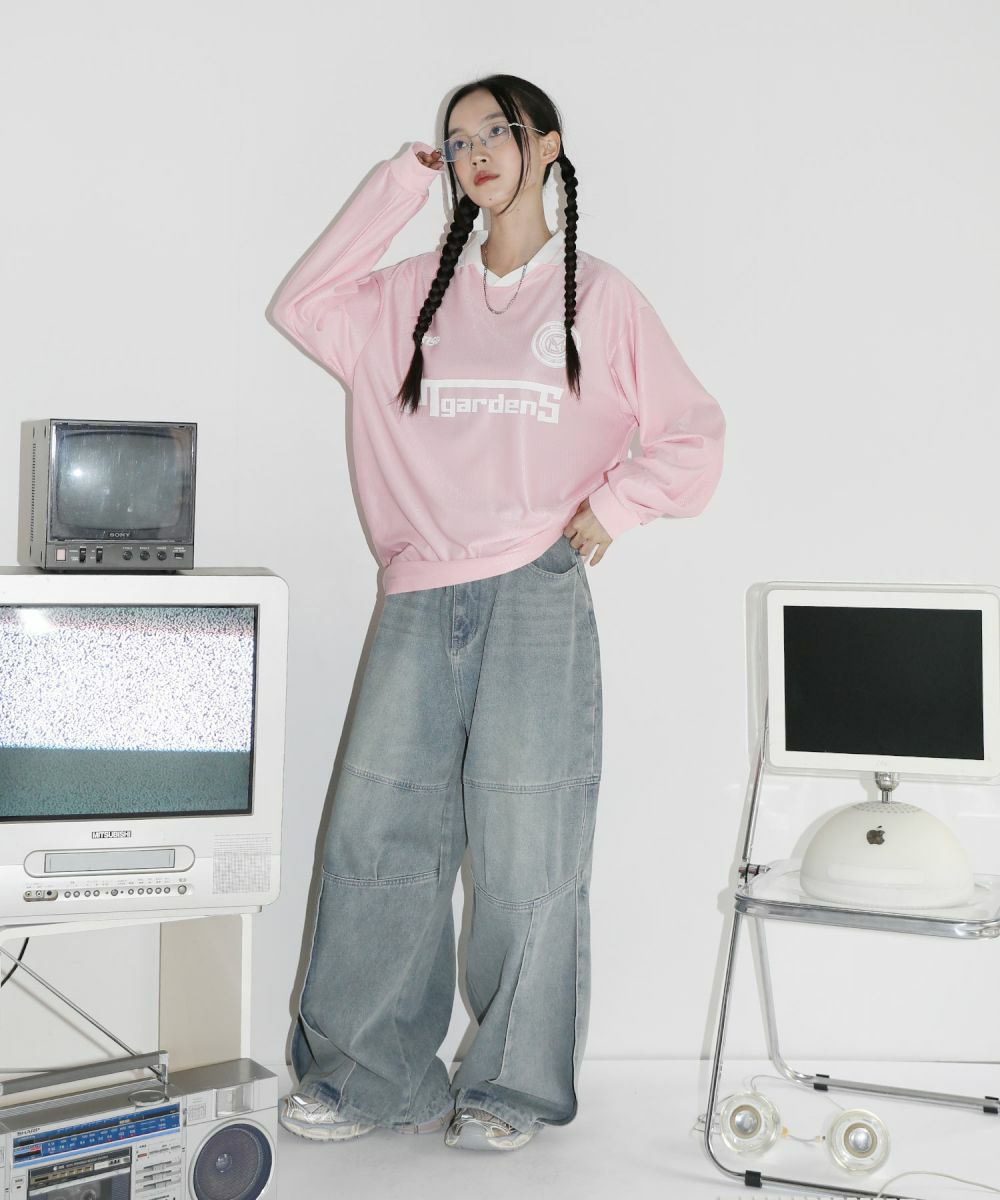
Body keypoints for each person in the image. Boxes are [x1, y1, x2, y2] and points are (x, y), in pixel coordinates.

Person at [267, 73, 726, 1152]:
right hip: (418, 594)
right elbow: (300, 305)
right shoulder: (408, 296)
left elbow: (693, 433)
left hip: (534, 595)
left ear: (548, 146)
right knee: (379, 840)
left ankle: (511, 1087)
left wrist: (614, 506)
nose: (474, 152)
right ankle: (370, 1077)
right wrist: (399, 184)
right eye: (456, 138)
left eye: (496, 133)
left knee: (530, 851)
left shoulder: (600, 298)